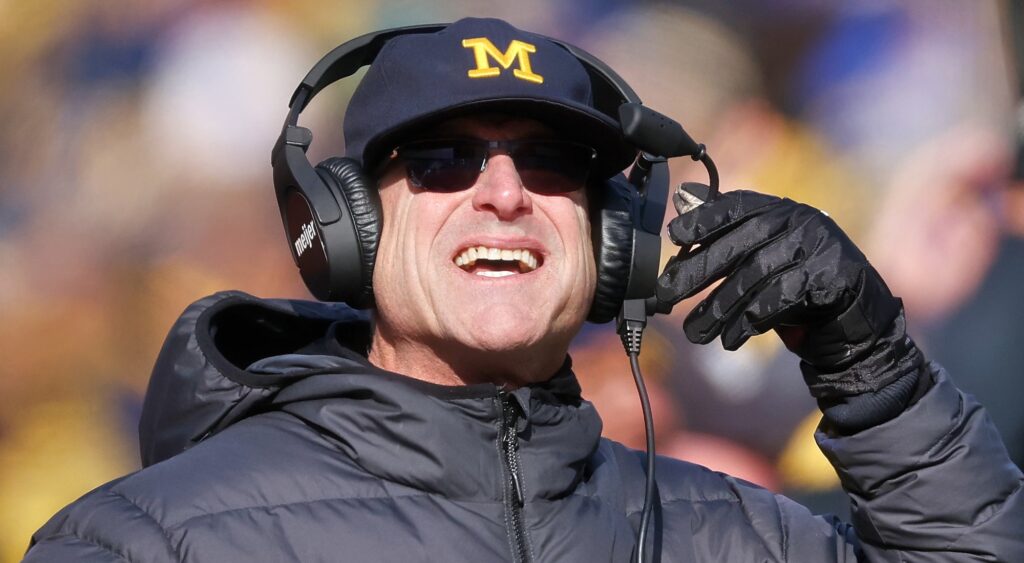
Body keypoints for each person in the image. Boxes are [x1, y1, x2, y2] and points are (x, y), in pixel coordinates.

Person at [24, 18, 1023, 562]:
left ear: (611, 235)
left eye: (550, 163)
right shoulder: (144, 541)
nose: (503, 194)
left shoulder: (742, 531)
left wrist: (870, 360)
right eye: (446, 160)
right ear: (341, 227)